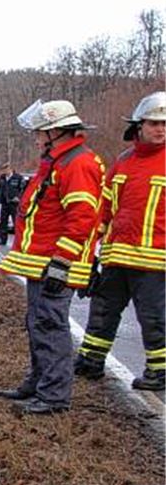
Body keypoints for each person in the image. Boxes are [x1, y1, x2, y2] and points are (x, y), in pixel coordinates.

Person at [0, 99, 104, 414]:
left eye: (40, 132)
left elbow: (82, 217)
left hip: (54, 264)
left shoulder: (77, 164)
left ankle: (54, 396)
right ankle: (39, 382)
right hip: (41, 263)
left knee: (50, 325)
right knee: (38, 324)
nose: (37, 138)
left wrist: (62, 263)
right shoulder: (59, 161)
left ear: (56, 131)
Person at [73, 91, 166, 391]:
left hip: (154, 259)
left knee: (153, 318)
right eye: (154, 123)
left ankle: (159, 372)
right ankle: (90, 361)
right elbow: (105, 208)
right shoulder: (124, 162)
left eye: (164, 124)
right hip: (115, 257)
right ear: (139, 125)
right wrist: (90, 251)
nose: (160, 129)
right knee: (102, 312)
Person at [0, 164, 28, 245]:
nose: (5, 171)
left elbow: (24, 189)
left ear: (11, 169)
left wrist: (19, 197)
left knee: (16, 222)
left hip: (14, 204)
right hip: (4, 202)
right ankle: (2, 239)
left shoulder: (18, 178)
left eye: (7, 169)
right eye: (4, 169)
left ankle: (19, 241)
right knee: (3, 222)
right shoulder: (2, 178)